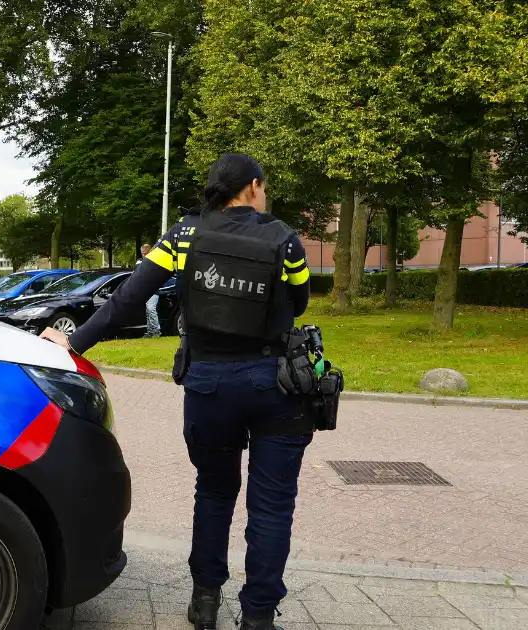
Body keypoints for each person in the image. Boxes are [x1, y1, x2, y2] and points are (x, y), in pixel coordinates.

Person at [41, 153, 312, 630]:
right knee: (272, 505)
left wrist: (75, 340)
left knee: (213, 489)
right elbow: (299, 300)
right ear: (251, 187)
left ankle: (205, 600)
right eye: (263, 186)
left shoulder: (184, 235)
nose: (265, 194)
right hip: (275, 385)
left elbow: (129, 297)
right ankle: (259, 616)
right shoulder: (284, 240)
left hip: (209, 386)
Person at [138, 244, 161, 337]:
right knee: (148, 312)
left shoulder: (155, 262)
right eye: (143, 254)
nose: (144, 255)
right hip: (145, 291)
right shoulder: (140, 262)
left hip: (153, 291)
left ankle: (156, 331)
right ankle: (150, 331)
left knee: (151, 310)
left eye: (145, 253)